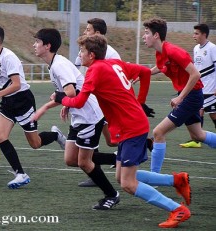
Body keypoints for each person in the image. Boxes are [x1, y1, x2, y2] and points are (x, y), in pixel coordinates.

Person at [54, 34, 192, 228]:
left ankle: (177, 209)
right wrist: (140, 101)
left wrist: (62, 99)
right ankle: (177, 180)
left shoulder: (95, 71)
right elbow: (144, 72)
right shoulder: (113, 64)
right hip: (131, 125)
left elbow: (79, 101)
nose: (80, 54)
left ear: (92, 55)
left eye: (82, 51)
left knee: (127, 183)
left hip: (132, 127)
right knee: (122, 177)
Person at [32, 28, 120, 210]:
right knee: (71, 159)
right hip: (79, 115)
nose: (34, 45)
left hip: (89, 116)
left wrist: (45, 108)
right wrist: (65, 103)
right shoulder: (54, 64)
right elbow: (72, 91)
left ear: (47, 46)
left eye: (37, 42)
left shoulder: (59, 65)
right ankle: (118, 158)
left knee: (84, 162)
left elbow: (70, 92)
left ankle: (111, 195)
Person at [0, 25, 66, 189]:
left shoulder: (9, 57)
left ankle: (55, 135)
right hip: (7, 103)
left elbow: (16, 85)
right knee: (0, 136)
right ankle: (20, 174)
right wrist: (1, 95)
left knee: (35, 143)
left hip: (23, 101)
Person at [76, 18, 154, 187]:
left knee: (123, 177)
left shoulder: (107, 58)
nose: (85, 32)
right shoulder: (97, 58)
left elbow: (123, 86)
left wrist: (138, 103)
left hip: (121, 116)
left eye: (88, 29)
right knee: (118, 167)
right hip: (121, 115)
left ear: (97, 34)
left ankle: (176, 207)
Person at [142, 18, 216, 174]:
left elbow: (195, 74)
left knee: (158, 132)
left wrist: (180, 98)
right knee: (198, 135)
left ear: (156, 35)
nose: (143, 36)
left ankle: (154, 177)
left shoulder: (174, 51)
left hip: (192, 96)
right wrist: (143, 73)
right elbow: (161, 67)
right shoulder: (160, 52)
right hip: (190, 95)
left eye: (146, 33)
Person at [179, 23, 216, 148]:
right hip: (200, 87)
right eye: (194, 33)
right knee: (199, 111)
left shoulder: (212, 48)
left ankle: (198, 139)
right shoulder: (196, 48)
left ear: (204, 34)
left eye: (196, 33)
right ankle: (197, 140)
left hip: (211, 88)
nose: (193, 36)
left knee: (213, 114)